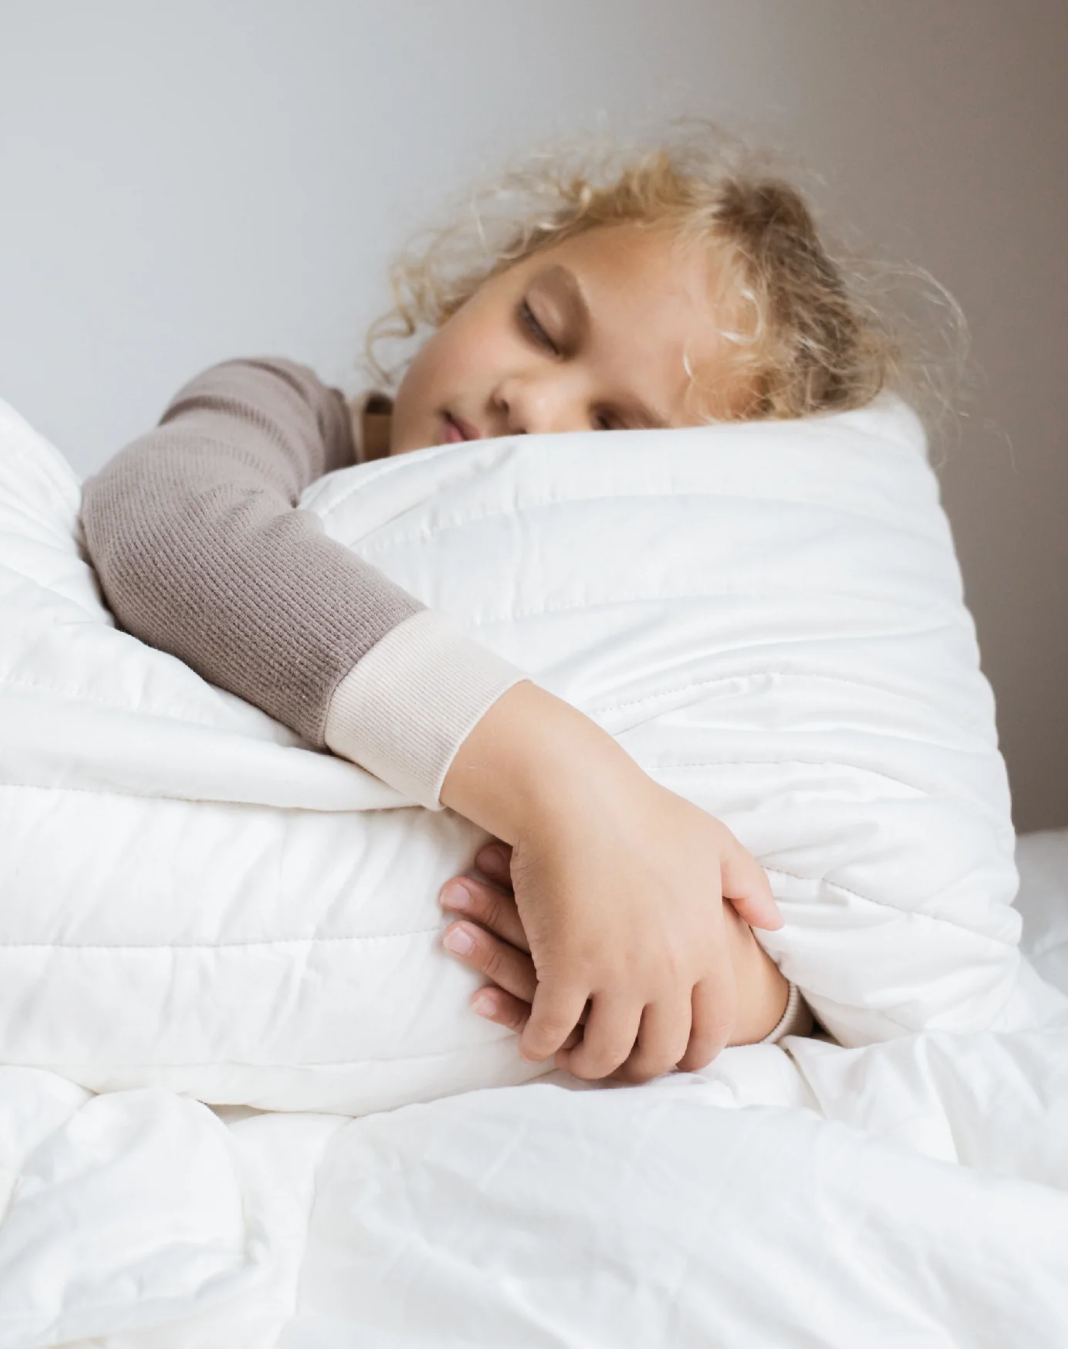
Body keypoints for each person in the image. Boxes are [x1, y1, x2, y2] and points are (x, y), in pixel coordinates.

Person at [82, 132, 900, 1085]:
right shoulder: (289, 410)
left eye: (612, 428)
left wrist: (738, 991)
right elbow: (165, 524)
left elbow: (761, 855)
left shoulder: (634, 602)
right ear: (482, 278)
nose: (531, 400)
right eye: (543, 328)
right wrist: (567, 784)